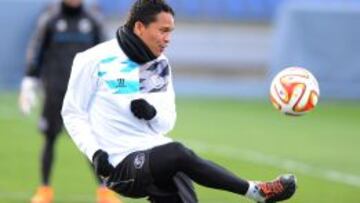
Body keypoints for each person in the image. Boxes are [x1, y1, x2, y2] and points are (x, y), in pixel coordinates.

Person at [61, 0, 297, 202]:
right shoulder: (93, 60)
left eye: (171, 31)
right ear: (140, 27)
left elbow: (166, 123)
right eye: (163, 30)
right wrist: (95, 153)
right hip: (116, 165)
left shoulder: (158, 66)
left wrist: (152, 113)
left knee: (177, 165)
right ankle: (256, 191)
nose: (168, 38)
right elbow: (73, 113)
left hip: (153, 156)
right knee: (178, 154)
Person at [18, 0, 123, 203]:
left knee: (91, 143)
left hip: (86, 95)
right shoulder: (50, 19)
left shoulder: (92, 21)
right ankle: (44, 191)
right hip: (55, 91)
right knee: (49, 139)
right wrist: (29, 80)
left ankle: (105, 192)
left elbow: (106, 55)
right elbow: (36, 50)